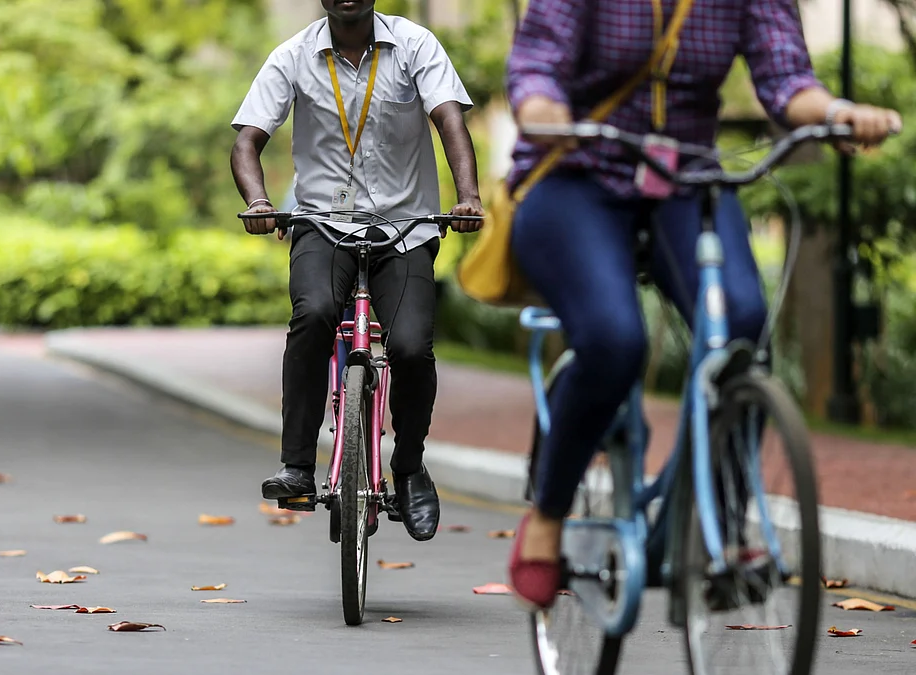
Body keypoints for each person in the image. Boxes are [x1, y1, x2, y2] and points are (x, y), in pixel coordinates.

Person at [503, 0, 902, 608]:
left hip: (681, 181)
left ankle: (718, 526)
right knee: (614, 342)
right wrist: (543, 111)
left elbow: (786, 78)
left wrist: (840, 113)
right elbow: (537, 64)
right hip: (576, 173)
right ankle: (549, 516)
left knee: (742, 329)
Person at [231, 0, 484, 541]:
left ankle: (410, 468)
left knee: (413, 346)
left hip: (405, 228)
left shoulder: (416, 46)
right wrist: (258, 201)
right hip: (323, 225)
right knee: (315, 314)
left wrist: (467, 198)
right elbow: (248, 140)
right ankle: (297, 466)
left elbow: (450, 124)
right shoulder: (293, 56)